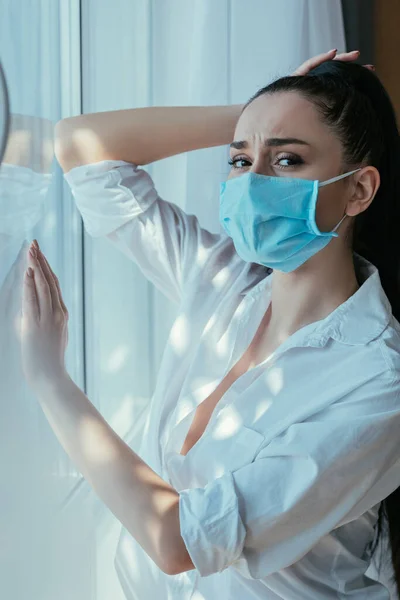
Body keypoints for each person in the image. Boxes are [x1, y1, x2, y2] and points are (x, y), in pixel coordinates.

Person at [27, 49, 400, 599]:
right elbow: (82, 146)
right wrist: (264, 111)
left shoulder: (377, 382)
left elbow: (177, 540)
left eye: (288, 161)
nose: (252, 184)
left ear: (359, 189)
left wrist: (49, 379)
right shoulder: (225, 281)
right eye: (240, 161)